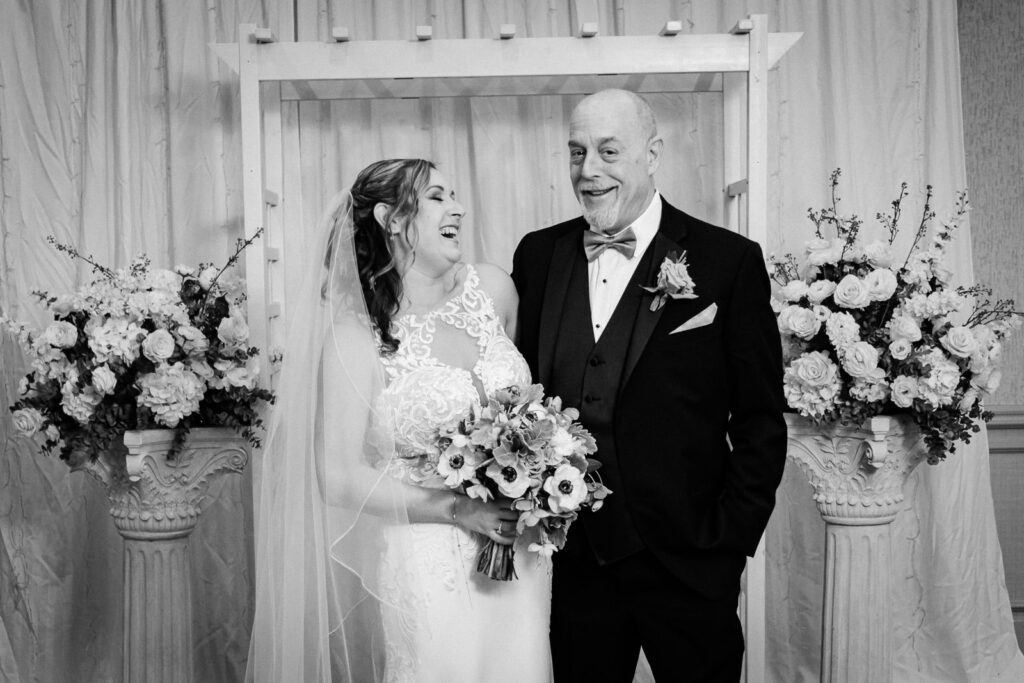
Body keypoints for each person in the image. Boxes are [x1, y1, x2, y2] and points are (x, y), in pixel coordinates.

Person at [511, 89, 787, 682]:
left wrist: (728, 539)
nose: (589, 170)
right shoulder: (537, 256)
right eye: (577, 152)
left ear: (653, 153)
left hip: (689, 562)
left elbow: (761, 417)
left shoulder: (727, 260)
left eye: (609, 151)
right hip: (573, 565)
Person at [247, 159, 552, 682]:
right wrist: (457, 507)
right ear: (390, 218)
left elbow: (529, 410)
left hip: (522, 550)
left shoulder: (494, 290)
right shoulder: (354, 336)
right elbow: (337, 476)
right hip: (429, 560)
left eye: (454, 195)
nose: (457, 208)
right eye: (437, 196)